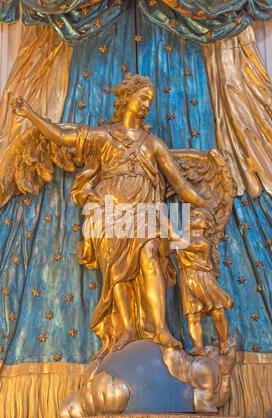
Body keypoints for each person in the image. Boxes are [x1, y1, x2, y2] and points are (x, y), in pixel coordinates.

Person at [11, 73, 208, 358]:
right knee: (116, 272)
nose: (146, 106)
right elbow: (64, 137)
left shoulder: (153, 144)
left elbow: (180, 185)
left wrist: (204, 206)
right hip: (109, 211)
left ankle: (161, 327)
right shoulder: (105, 136)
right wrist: (30, 114)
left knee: (150, 255)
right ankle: (126, 327)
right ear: (127, 98)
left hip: (145, 211)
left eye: (149, 102)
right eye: (142, 99)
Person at [177, 207, 233, 356]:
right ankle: (197, 346)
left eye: (197, 216)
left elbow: (184, 245)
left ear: (206, 224)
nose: (192, 217)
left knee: (218, 311)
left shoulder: (203, 242)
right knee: (192, 314)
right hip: (187, 280)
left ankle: (223, 343)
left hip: (204, 280)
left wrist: (165, 227)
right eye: (190, 215)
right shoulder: (182, 239)